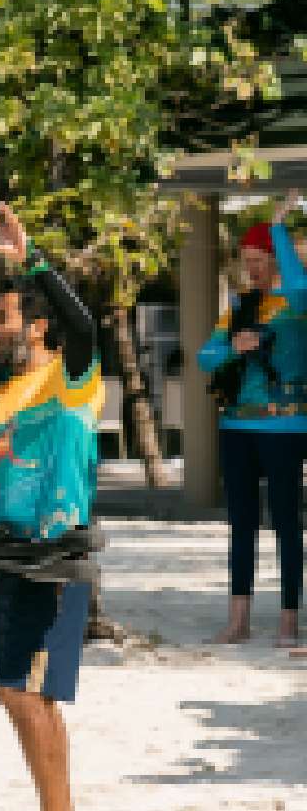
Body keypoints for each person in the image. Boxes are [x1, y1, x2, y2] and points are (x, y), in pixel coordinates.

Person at [0, 204, 102, 811]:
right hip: (9, 555)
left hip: (57, 557)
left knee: (24, 693)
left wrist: (34, 260)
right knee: (23, 694)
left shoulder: (70, 380)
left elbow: (84, 326)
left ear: (38, 327)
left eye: (5, 320)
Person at [198, 204, 305, 648]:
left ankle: (288, 620)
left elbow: (298, 283)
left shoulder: (298, 302)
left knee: (286, 522)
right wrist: (232, 348)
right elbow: (205, 356)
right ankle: (238, 619)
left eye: (260, 263)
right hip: (236, 428)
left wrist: (280, 229)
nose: (253, 271)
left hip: (287, 426)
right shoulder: (239, 305)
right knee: (240, 523)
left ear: (278, 261)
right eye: (248, 263)